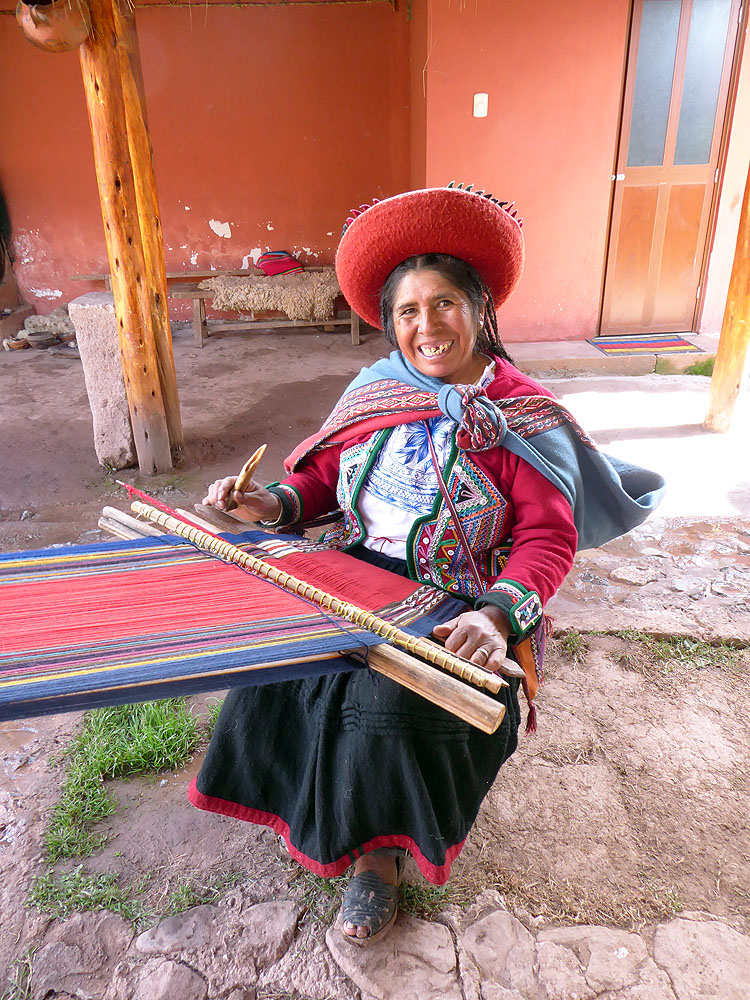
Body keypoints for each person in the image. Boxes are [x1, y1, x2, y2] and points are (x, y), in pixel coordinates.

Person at [191, 185, 664, 945]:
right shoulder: (375, 391)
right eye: (407, 313)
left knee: (387, 706)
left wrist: (496, 613)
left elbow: (548, 538)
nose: (426, 327)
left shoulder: (520, 414)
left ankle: (377, 860)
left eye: (443, 305)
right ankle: (308, 806)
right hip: (355, 567)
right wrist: (269, 506)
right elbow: (320, 484)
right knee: (282, 668)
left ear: (479, 308)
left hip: (460, 601)